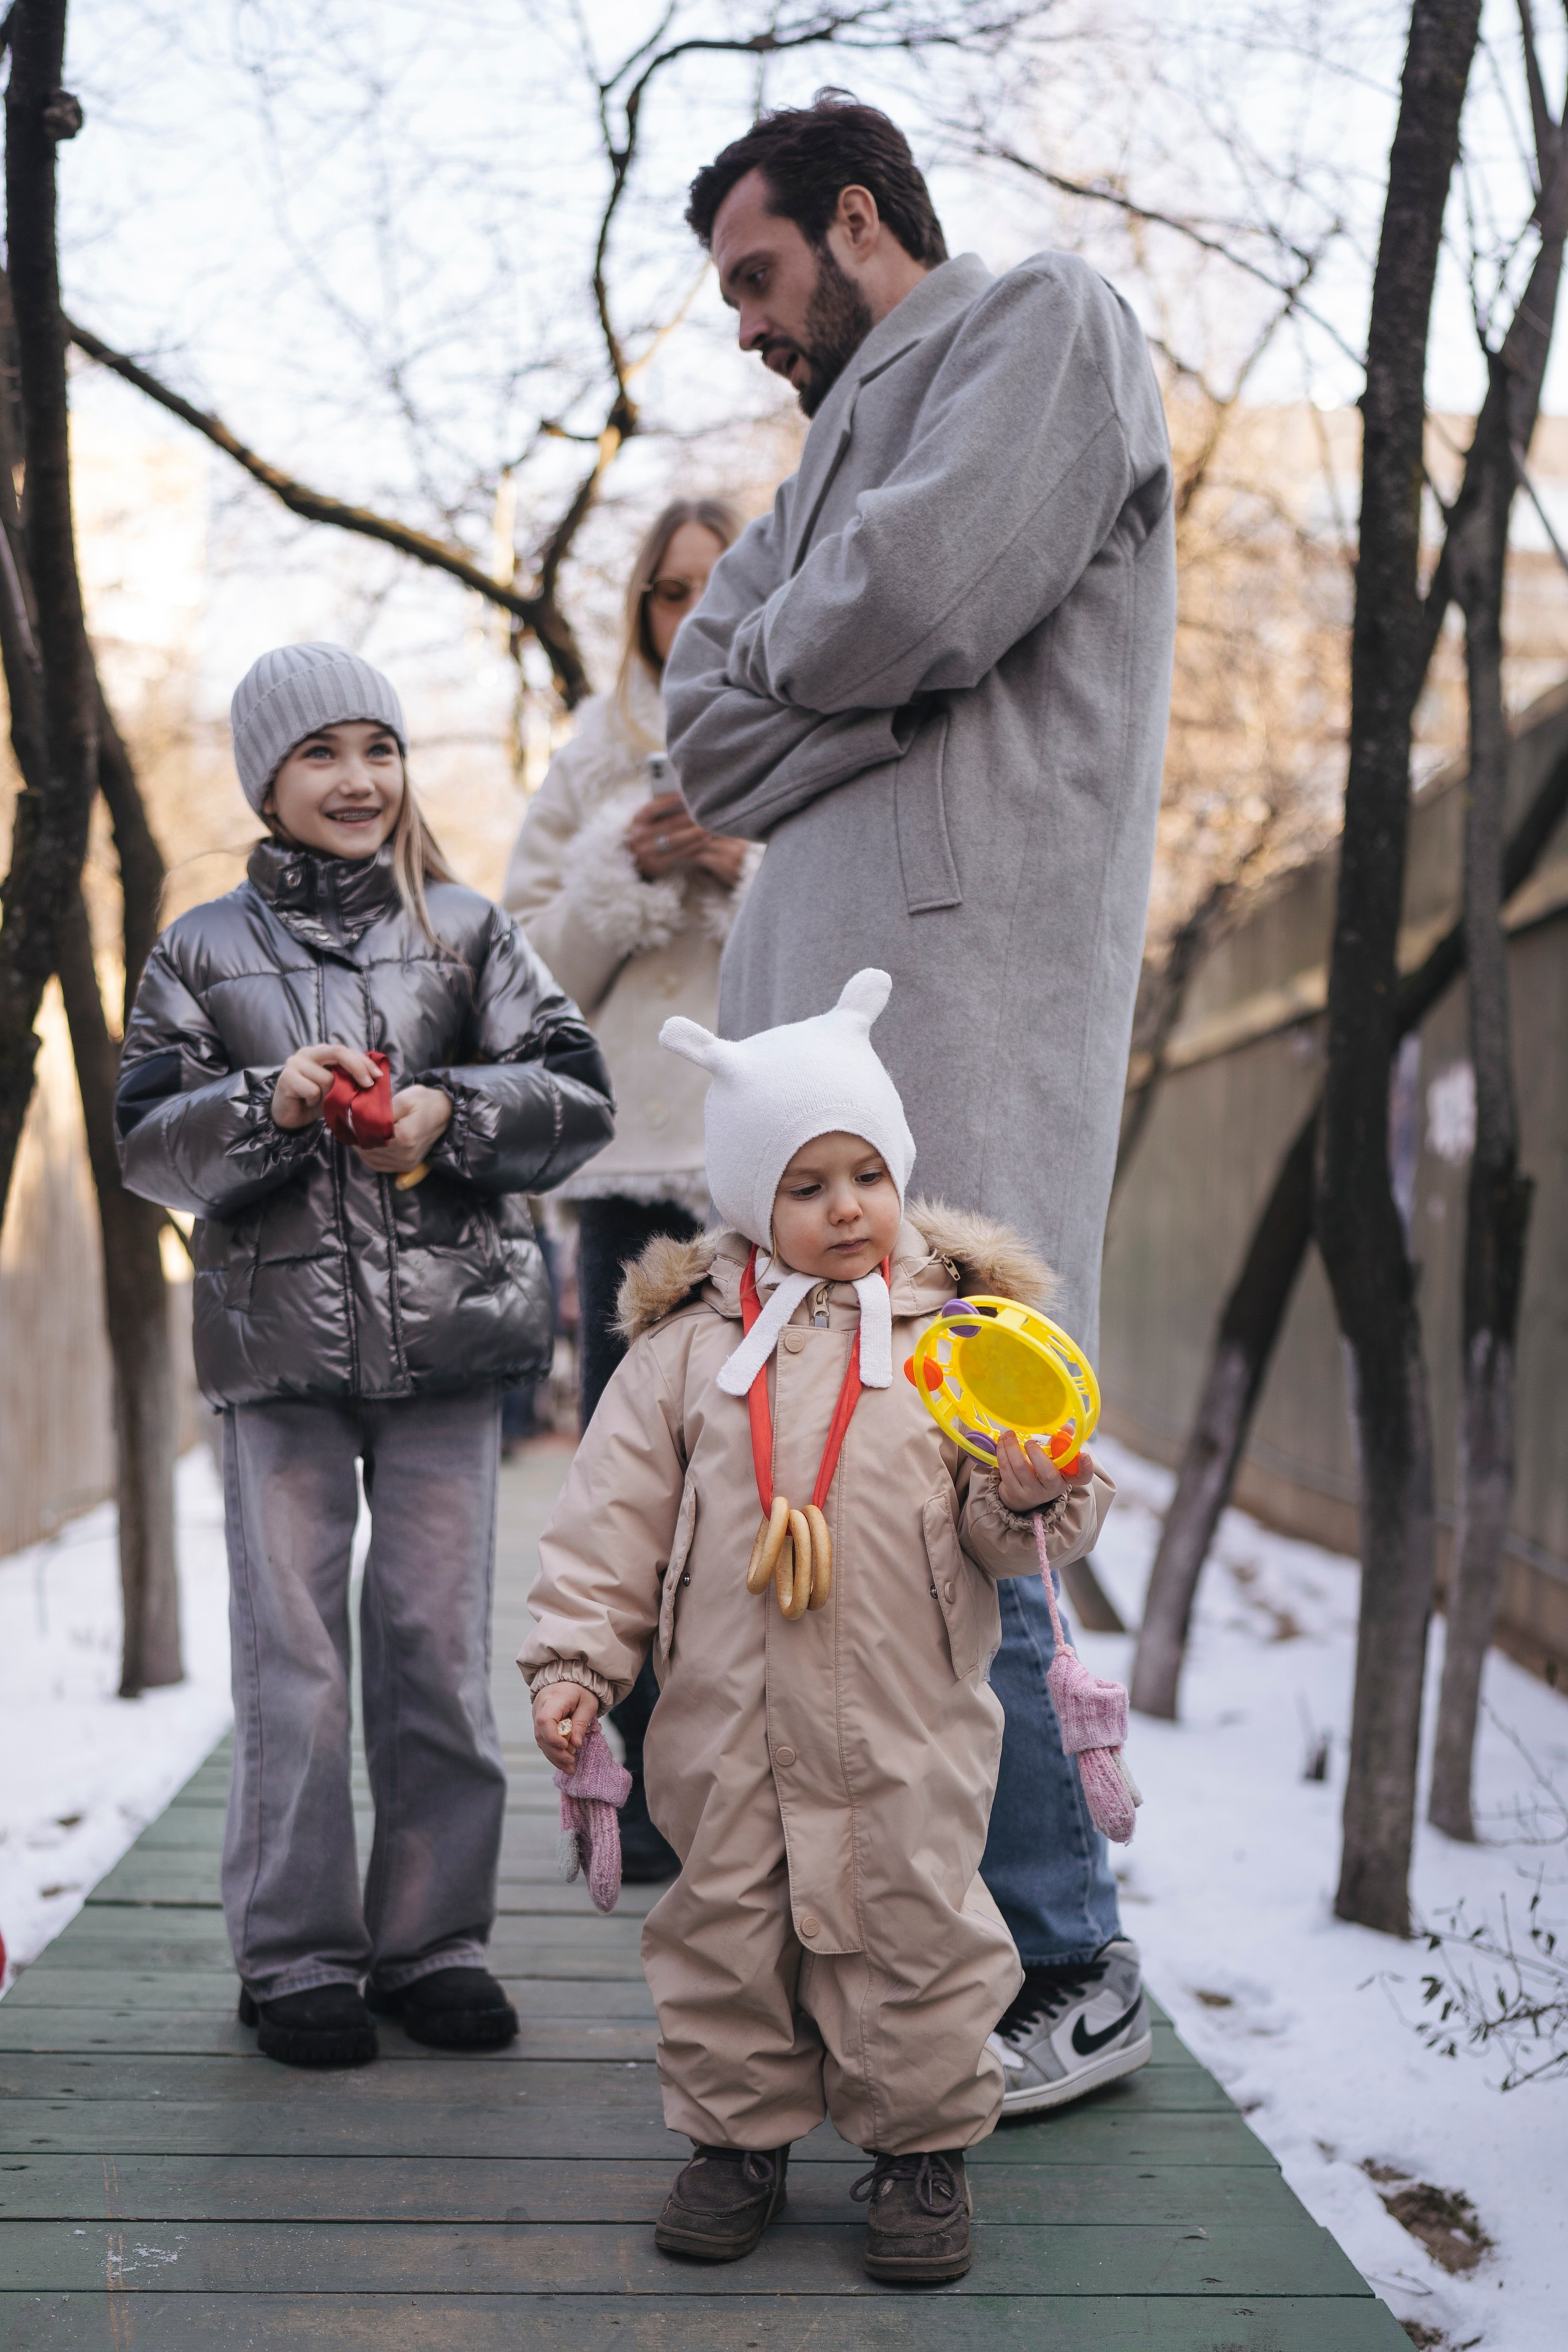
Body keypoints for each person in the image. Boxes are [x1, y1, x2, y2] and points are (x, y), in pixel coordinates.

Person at [663, 95, 1174, 2114]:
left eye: (759, 277)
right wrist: (861, 667)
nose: (745, 329)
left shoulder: (1042, 324)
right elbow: (706, 721)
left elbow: (919, 602)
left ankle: (1069, 1953)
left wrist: (853, 659)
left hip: (965, 1006)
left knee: (977, 1447)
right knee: (840, 1493)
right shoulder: (817, 468)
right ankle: (912, 1951)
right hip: (813, 1035)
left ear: (858, 223)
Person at [522, 971, 1114, 2282]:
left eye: (866, 1173)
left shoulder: (961, 1342)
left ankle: (917, 2154)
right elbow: (608, 1519)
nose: (844, 1206)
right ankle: (737, 2142)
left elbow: (1011, 1528)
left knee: (916, 1927)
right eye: (805, 1184)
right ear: (748, 1201)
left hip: (907, 1722)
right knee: (724, 1926)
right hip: (723, 1725)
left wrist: (1031, 1493)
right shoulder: (685, 1355)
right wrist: (574, 1660)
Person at [115, 643, 614, 2070]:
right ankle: (295, 1958)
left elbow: (576, 1096)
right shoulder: (199, 949)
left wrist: (447, 1115)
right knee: (294, 1662)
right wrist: (266, 1105)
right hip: (274, 1357)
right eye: (322, 752)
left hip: (452, 1350)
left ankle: (434, 1938)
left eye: (378, 749)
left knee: (436, 1649)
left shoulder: (466, 931)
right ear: (266, 778)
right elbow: (148, 1144)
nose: (357, 778)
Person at [504, 496, 756, 1879]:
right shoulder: (591, 756)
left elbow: (856, 932)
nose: (690, 610)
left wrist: (738, 865)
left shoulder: (794, 722)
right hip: (626, 1168)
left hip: (768, 1176)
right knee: (629, 1485)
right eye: (667, 591)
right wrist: (625, 865)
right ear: (639, 610)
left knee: (760, 1479)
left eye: (717, 584)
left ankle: (749, 1787)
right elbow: (525, 964)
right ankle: (641, 1788)